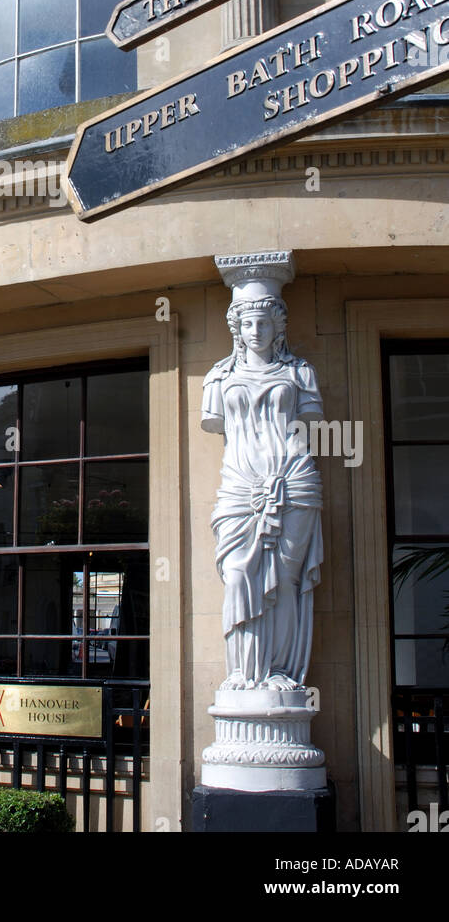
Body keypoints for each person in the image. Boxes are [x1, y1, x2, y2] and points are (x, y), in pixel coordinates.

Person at [202, 280, 323, 690]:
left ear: (278, 327)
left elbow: (310, 425)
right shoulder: (219, 376)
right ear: (237, 328)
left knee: (285, 582)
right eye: (248, 323)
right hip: (238, 484)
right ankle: (242, 673)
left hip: (294, 480)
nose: (257, 331)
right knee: (237, 575)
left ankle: (278, 673)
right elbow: (215, 422)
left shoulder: (299, 372)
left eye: (265, 322)